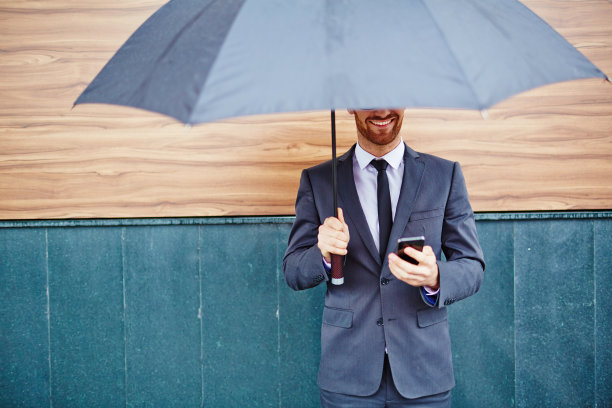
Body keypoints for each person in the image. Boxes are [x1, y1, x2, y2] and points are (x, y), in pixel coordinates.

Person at [283, 108, 485, 407]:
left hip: (424, 372)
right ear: (350, 104)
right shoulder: (320, 180)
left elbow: (472, 266)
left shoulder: (444, 174)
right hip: (348, 375)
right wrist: (321, 253)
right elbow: (293, 272)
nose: (381, 110)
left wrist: (436, 277)